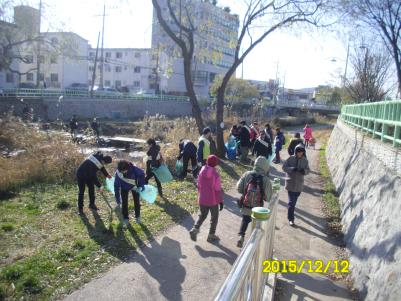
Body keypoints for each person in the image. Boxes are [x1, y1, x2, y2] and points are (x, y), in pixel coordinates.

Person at [236, 156, 272, 248]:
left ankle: (241, 236)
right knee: (256, 226)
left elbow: (239, 188)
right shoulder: (266, 179)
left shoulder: (247, 174)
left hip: (246, 204)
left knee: (245, 220)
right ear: (266, 167)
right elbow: (268, 198)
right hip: (258, 209)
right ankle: (252, 245)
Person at [189, 155, 223, 243]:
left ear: (207, 162)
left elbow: (199, 185)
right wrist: (221, 201)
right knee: (214, 218)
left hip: (202, 198)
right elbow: (217, 189)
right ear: (215, 164)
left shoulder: (201, 171)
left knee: (202, 215)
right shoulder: (216, 175)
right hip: (213, 200)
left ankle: (194, 229)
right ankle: (211, 235)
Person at [282, 144, 309, 226]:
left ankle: (291, 213)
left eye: (301, 152)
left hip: (299, 185)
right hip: (290, 184)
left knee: (293, 203)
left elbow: (308, 170)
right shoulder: (290, 159)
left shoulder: (305, 160)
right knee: (291, 203)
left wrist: (304, 171)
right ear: (295, 151)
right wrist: (291, 169)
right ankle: (291, 219)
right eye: (298, 152)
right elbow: (284, 167)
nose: (300, 153)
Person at [114, 160, 145, 224]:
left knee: (136, 201)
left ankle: (138, 217)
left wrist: (140, 185)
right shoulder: (118, 173)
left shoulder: (133, 169)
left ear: (128, 168)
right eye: (121, 171)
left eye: (124, 171)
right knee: (124, 202)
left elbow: (142, 174)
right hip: (124, 188)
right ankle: (125, 218)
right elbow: (116, 186)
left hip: (134, 187)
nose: (122, 172)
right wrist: (117, 198)